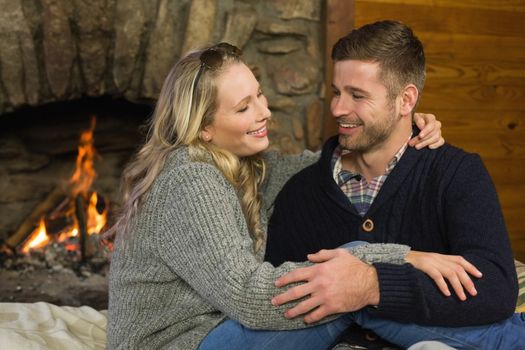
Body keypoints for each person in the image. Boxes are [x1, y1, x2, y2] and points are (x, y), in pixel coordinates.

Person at [106, 42, 481, 350]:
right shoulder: (191, 178)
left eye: (260, 95)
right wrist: (402, 257)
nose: (264, 112)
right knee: (343, 284)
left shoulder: (244, 165)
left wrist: (402, 123)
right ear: (204, 127)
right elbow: (249, 296)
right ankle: (508, 339)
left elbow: (321, 165)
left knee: (348, 281)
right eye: (243, 107)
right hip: (178, 343)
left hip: (213, 328)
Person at [266, 20, 525, 348]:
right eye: (336, 92)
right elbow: (278, 298)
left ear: (406, 101)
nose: (337, 108)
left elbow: (495, 288)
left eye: (357, 95)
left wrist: (375, 286)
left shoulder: (456, 172)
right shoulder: (301, 191)